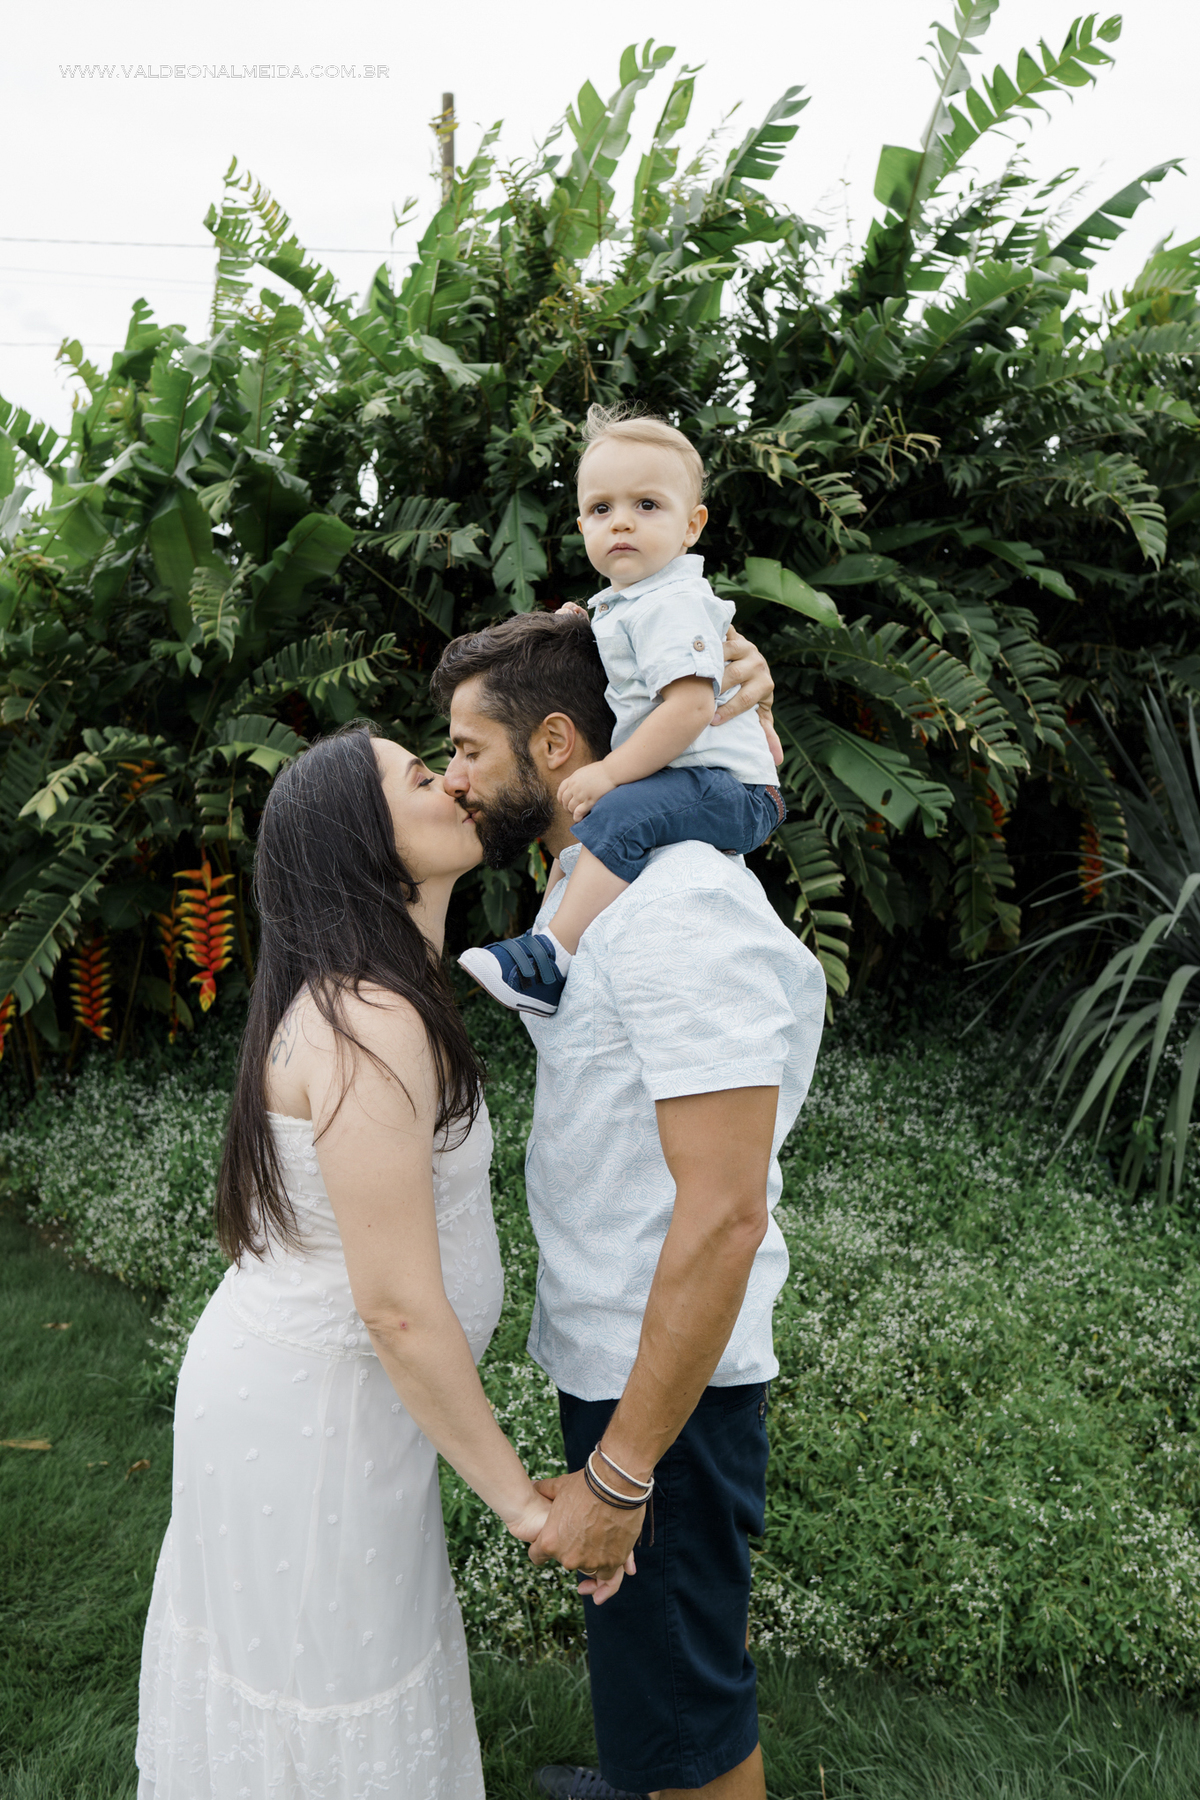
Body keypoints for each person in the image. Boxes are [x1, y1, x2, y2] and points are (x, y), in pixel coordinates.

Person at [135, 724, 627, 1800]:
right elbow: (397, 1306)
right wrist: (528, 1508)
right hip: (316, 1425)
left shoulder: (379, 989)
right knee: (329, 1695)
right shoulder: (367, 1018)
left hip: (326, 1404)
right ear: (368, 842)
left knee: (316, 1688)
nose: (454, 780)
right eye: (420, 776)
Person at [433, 614, 826, 1800]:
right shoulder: (594, 878)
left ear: (556, 746)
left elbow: (725, 1215)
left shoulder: (681, 907)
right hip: (620, 1346)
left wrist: (620, 1473)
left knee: (690, 1703)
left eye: (467, 750)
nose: (454, 779)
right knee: (650, 1659)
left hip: (671, 1386)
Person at [459, 405, 785, 1018]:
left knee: (621, 811)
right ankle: (554, 936)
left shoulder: (672, 602)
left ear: (692, 526)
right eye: (602, 508)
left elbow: (689, 707)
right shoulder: (630, 602)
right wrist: (578, 627)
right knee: (610, 821)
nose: (622, 522)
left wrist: (609, 772)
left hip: (734, 791)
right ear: (582, 523)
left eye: (647, 505)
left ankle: (551, 956)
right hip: (710, 778)